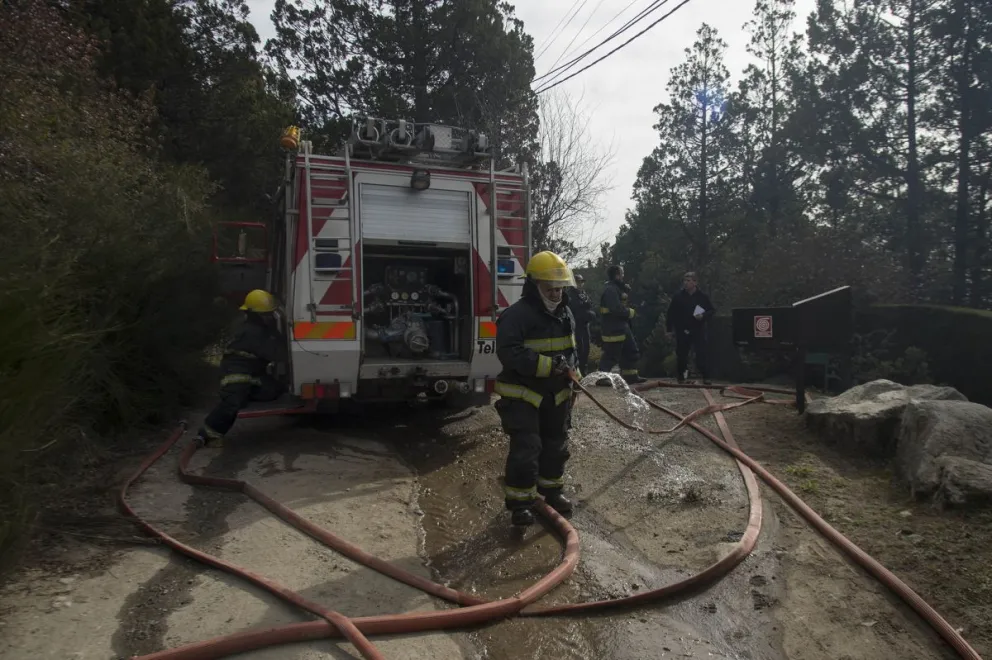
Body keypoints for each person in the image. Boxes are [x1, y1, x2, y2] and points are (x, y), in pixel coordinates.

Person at [494, 251, 579, 527]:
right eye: (550, 288)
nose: (556, 294)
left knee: (556, 444)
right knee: (527, 448)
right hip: (523, 395)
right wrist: (548, 366)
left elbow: (572, 349)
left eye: (559, 288)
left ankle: (552, 492)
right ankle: (520, 505)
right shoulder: (516, 315)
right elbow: (509, 353)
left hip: (557, 394)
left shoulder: (565, 313)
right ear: (534, 285)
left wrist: (575, 375)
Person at [192, 289, 288, 448]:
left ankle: (247, 392)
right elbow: (278, 354)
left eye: (270, 314)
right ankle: (209, 433)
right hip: (236, 374)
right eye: (266, 314)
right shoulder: (253, 333)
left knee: (275, 390)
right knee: (233, 402)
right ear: (255, 315)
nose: (270, 317)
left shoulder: (253, 327)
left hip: (251, 373)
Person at [596, 265, 646, 386]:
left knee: (631, 351)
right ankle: (602, 378)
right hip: (613, 328)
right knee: (611, 354)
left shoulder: (616, 288)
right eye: (622, 273)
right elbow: (616, 309)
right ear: (617, 275)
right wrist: (630, 312)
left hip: (622, 326)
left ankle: (630, 376)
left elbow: (622, 303)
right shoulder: (610, 290)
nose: (623, 276)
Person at [665, 271, 716, 385]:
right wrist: (669, 330)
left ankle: (706, 377)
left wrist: (703, 316)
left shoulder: (702, 297)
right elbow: (671, 314)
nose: (686, 283)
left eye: (688, 281)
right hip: (682, 329)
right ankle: (681, 377)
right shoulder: (678, 297)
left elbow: (712, 310)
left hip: (698, 329)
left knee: (701, 353)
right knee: (682, 354)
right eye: (685, 280)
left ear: (695, 282)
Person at [566, 273, 596, 374]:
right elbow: (574, 310)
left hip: (585, 325)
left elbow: (590, 304)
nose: (580, 284)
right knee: (579, 349)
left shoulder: (583, 293)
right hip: (576, 326)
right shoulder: (570, 295)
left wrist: (590, 314)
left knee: (586, 349)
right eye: (578, 282)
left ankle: (584, 370)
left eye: (582, 282)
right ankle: (578, 371)